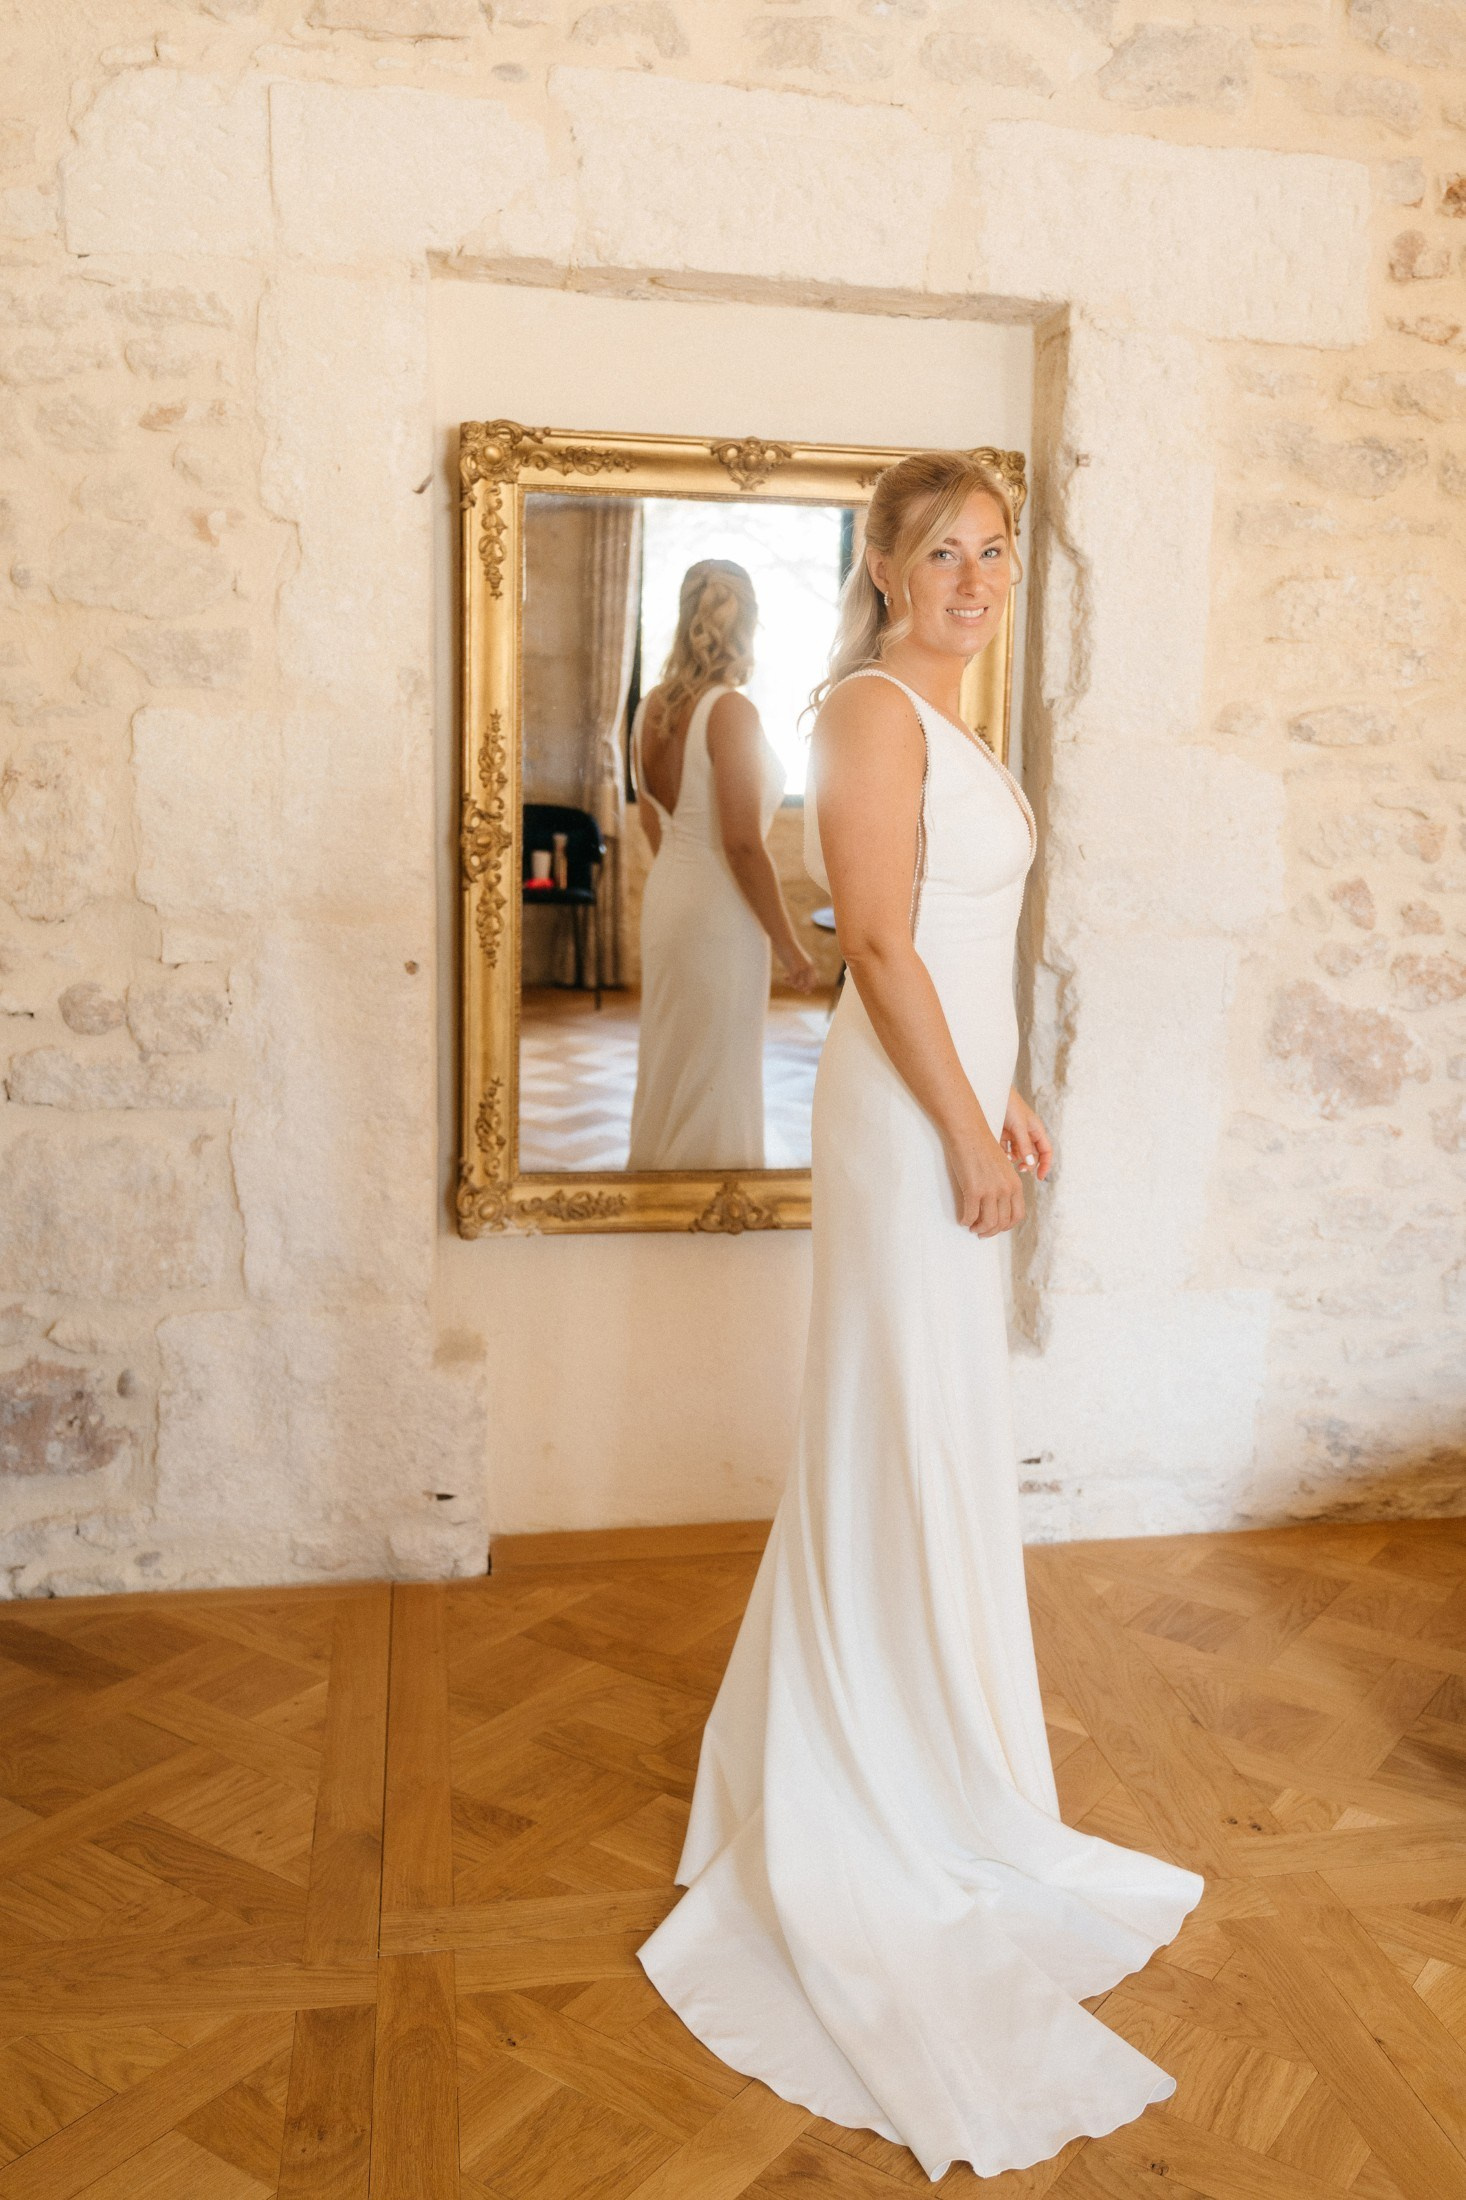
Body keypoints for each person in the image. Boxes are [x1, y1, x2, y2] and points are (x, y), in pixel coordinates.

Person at [637, 454, 1204, 2181]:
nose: (974, 577)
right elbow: (876, 946)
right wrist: (961, 1129)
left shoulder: (946, 718)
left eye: (994, 551)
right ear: (882, 567)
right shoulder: (868, 713)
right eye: (942, 551)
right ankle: (865, 1780)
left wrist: (1003, 1090)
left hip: (940, 1095)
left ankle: (929, 1759)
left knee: (930, 1421)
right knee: (895, 1419)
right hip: (897, 1126)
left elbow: (955, 945)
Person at [628, 558, 816, 1172]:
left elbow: (652, 822)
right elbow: (741, 844)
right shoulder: (731, 711)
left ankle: (659, 1188)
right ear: (747, 624)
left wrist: (680, 880)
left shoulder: (648, 709)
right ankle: (713, 1198)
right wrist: (788, 945)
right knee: (719, 1061)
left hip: (667, 898)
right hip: (720, 913)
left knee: (671, 1057)